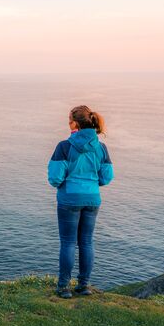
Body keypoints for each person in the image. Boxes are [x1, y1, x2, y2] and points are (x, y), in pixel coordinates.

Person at [47, 105, 114, 298]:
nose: (68, 123)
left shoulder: (64, 146)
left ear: (75, 123)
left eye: (69, 120)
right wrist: (92, 183)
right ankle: (83, 286)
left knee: (68, 243)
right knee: (86, 242)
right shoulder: (101, 147)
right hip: (92, 198)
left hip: (69, 198)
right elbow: (107, 176)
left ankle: (63, 287)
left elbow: (55, 178)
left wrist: (66, 182)